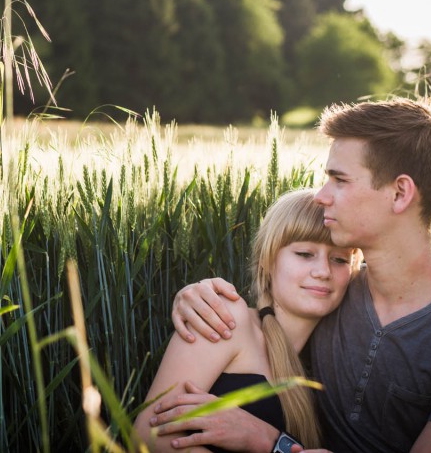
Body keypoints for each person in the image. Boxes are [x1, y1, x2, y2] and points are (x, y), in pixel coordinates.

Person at [159, 98, 431, 453]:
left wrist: (274, 445)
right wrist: (194, 294)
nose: (321, 196)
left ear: (399, 194)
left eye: (339, 179)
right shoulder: (330, 294)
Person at [133, 188, 361, 452]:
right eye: (304, 254)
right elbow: (147, 437)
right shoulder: (226, 318)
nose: (323, 271)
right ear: (267, 259)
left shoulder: (333, 359)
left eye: (339, 259)